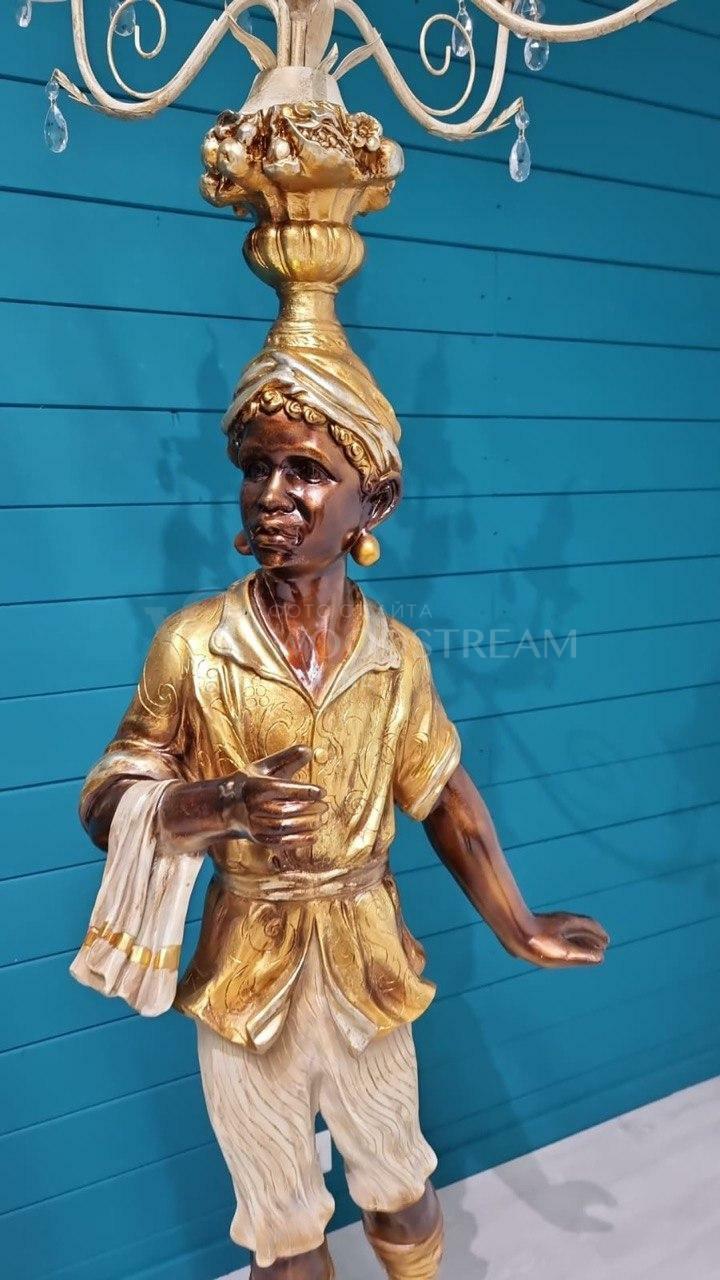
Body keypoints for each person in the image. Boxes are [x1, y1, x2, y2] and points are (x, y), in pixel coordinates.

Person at [73, 324, 609, 1280]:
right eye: (258, 468)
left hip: (368, 966)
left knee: (400, 1183)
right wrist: (219, 802)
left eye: (308, 471)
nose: (274, 494)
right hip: (245, 977)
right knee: (280, 1227)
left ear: (375, 501)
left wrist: (518, 925)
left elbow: (442, 794)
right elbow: (110, 798)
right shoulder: (194, 648)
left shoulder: (395, 657)